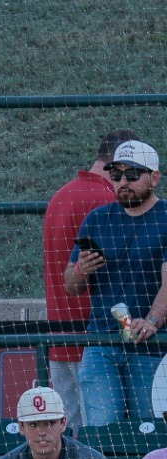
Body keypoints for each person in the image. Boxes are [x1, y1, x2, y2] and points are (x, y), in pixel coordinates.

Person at [62, 139, 167, 428]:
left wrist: (153, 320)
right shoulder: (97, 219)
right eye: (116, 174)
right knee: (102, 433)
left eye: (132, 174)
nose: (123, 182)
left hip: (151, 345)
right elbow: (70, 285)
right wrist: (82, 269)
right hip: (102, 341)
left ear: (154, 177)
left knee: (150, 431)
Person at [44, 129, 135, 408]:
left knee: (70, 434)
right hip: (97, 341)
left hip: (61, 336)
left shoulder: (62, 195)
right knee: (107, 438)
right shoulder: (107, 201)